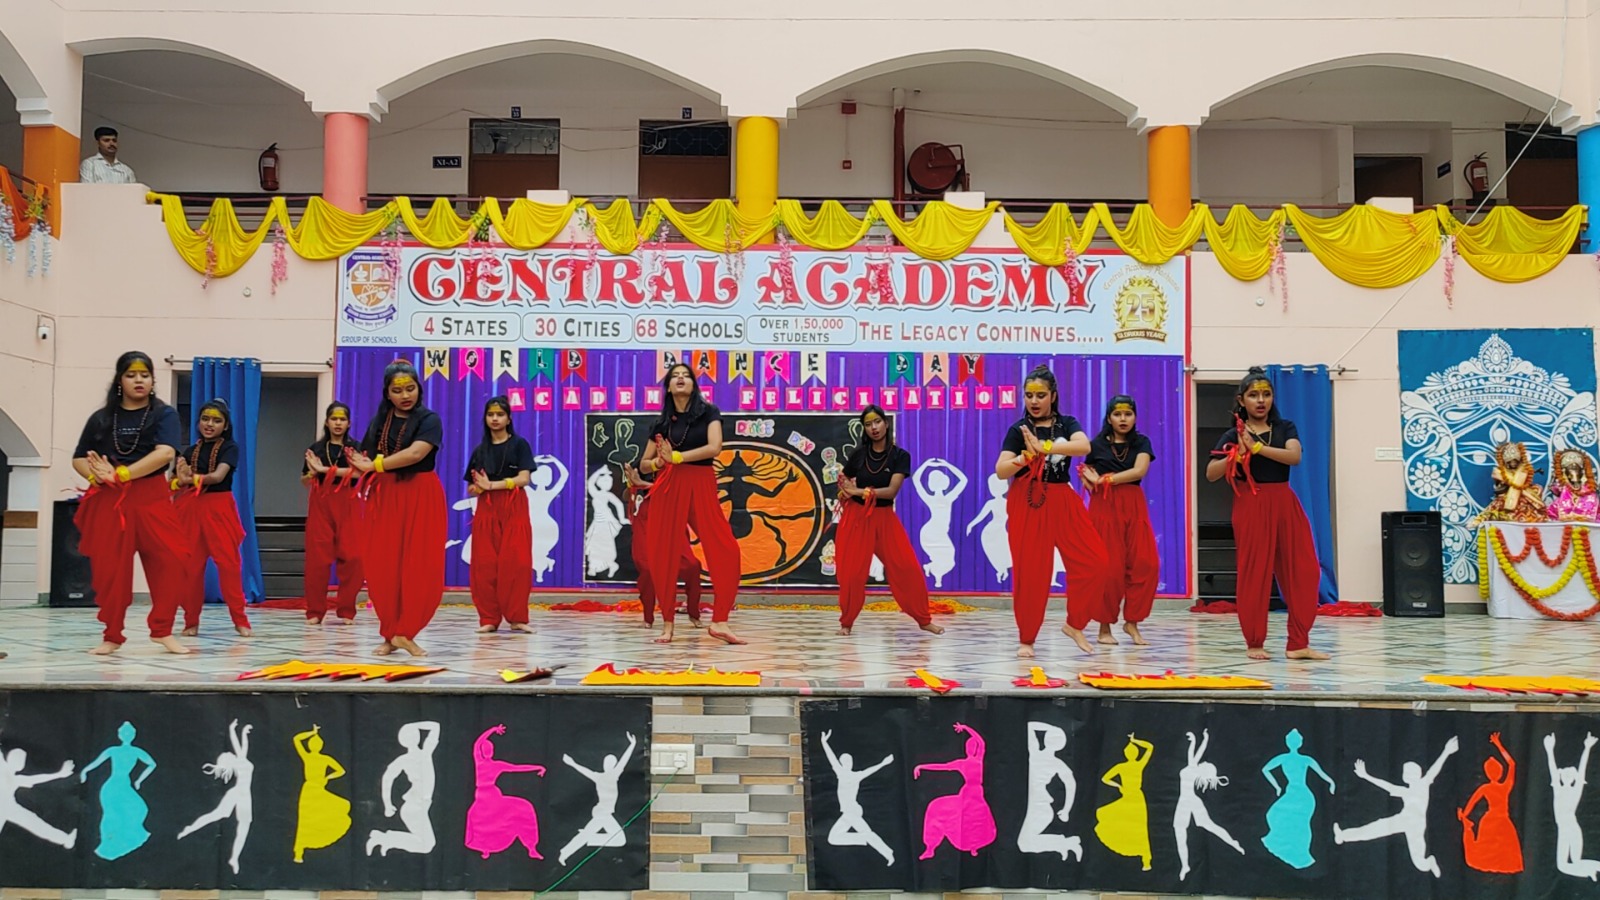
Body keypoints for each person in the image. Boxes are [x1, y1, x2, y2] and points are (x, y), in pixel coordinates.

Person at [1204, 367, 1329, 661]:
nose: (1261, 400)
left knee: (1306, 570)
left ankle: (1298, 643)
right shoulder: (1232, 434)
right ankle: (1255, 642)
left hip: (1285, 501)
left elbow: (1294, 456)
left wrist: (1257, 447)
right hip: (1251, 503)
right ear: (1241, 400)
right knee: (1255, 573)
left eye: (1266, 394)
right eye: (1253, 395)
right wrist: (1236, 456)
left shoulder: (1285, 428)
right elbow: (1211, 473)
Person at [72, 351, 192, 655]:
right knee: (112, 571)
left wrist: (122, 473)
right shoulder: (101, 418)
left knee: (173, 560)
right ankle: (112, 634)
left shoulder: (163, 414)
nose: (139, 380)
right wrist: (98, 477)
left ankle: (162, 629)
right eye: (131, 375)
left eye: (145, 375)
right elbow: (79, 458)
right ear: (119, 380)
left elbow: (165, 453)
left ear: (152, 380)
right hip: (110, 500)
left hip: (152, 498)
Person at [994, 364, 1110, 658]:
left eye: (1040, 395)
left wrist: (1045, 447)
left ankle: (1075, 624)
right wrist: (1024, 457)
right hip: (1027, 500)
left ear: (1053, 396)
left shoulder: (1067, 424)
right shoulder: (1018, 430)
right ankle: (1027, 639)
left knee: (1096, 562)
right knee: (1031, 573)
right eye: (1029, 395)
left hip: (1062, 498)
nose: (1034, 401)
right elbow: (1001, 470)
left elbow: (1083, 447)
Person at [637, 363, 743, 645]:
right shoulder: (661, 423)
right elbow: (644, 464)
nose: (681, 379)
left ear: (694, 384)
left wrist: (678, 457)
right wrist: (659, 462)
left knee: (727, 549)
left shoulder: (709, 413)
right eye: (675, 376)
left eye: (686, 375)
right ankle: (668, 624)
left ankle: (720, 621)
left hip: (701, 483)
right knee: (664, 554)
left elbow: (714, 447)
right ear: (668, 387)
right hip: (668, 486)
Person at [348, 360, 446, 658]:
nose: (405, 395)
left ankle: (406, 631)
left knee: (419, 565)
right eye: (398, 390)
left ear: (419, 389)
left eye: (410, 388)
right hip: (386, 496)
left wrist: (376, 465)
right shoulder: (379, 422)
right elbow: (363, 463)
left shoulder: (429, 419)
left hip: (420, 495)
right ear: (387, 393)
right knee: (384, 566)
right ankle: (391, 633)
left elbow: (415, 453)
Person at [833, 406, 941, 636]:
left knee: (907, 568)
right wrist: (844, 488)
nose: (874, 428)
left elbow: (891, 491)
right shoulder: (859, 454)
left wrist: (859, 491)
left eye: (877, 422)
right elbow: (844, 478)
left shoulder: (900, 456)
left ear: (886, 423)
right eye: (868, 424)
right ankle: (846, 622)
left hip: (884, 518)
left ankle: (923, 619)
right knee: (852, 574)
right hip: (857, 518)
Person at [1081, 394, 1158, 646]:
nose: (1123, 419)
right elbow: (1088, 476)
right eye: (1117, 414)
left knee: (1146, 564)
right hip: (1104, 507)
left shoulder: (1142, 442)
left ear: (1135, 417)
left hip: (1133, 505)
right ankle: (1104, 627)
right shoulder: (1095, 445)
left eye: (1128, 414)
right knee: (1110, 569)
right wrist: (1090, 480)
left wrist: (1106, 479)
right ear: (1109, 418)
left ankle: (1132, 621)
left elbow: (1139, 471)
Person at [173, 398, 252, 637]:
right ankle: (191, 622)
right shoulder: (189, 451)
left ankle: (240, 620)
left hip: (219, 509)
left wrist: (189, 479)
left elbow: (218, 476)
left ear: (225, 425)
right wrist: (179, 480)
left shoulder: (230, 448)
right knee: (190, 569)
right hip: (191, 510)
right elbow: (176, 482)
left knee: (229, 566)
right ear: (198, 422)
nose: (209, 424)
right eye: (205, 419)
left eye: (216, 421)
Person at [1333, 737, 1459, 878]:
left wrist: (1446, 751)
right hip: (1403, 819)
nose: (1407, 775)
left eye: (1410, 772)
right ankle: (1343, 835)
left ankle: (1429, 863)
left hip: (1416, 824)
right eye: (1406, 772)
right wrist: (1366, 776)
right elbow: (1387, 786)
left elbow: (1434, 769)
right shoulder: (1404, 790)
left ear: (1418, 774)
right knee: (1375, 828)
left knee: (1419, 861)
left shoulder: (1424, 784)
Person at [464, 396, 534, 634]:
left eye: (500, 415)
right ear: (485, 418)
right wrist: (480, 488)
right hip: (487, 507)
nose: (495, 419)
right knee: (485, 564)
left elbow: (524, 479)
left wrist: (493, 485)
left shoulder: (520, 445)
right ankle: (489, 618)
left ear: (509, 418)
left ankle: (517, 617)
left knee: (517, 562)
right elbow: (471, 487)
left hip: (514, 505)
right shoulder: (480, 450)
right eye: (490, 415)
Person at [301, 402, 365, 624]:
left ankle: (346, 609)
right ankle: (315, 611)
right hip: (321, 502)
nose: (338, 423)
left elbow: (359, 473)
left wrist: (323, 470)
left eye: (342, 419)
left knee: (354, 557)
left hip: (348, 502)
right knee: (317, 559)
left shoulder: (355, 448)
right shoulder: (316, 449)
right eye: (334, 419)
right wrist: (311, 474)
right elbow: (304, 480)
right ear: (327, 422)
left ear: (349, 423)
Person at [622, 462, 703, 628]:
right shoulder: (643, 465)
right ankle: (648, 617)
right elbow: (626, 495)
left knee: (692, 566)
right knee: (648, 570)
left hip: (671, 518)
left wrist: (644, 484)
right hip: (647, 520)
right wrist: (632, 485)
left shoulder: (677, 465)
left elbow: (678, 491)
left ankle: (694, 613)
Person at [176, 720, 254, 875]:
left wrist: (242, 731)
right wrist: (234, 730)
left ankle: (234, 858)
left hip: (245, 796)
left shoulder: (241, 760)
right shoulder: (240, 760)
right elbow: (239, 745)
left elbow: (242, 745)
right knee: (220, 816)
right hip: (238, 793)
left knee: (242, 826)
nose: (230, 752)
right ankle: (190, 828)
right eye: (228, 755)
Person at [1173, 730, 1244, 879]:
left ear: (1204, 770)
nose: (1204, 761)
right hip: (1184, 802)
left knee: (1208, 826)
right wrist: (1198, 740)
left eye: (1206, 764)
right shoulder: (1192, 767)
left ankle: (1233, 842)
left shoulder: (1192, 768)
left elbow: (1197, 753)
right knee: (1180, 833)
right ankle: (1185, 865)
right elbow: (1195, 753)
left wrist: (1200, 740)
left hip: (1191, 801)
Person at [820, 730, 896, 865]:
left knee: (867, 832)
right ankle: (864, 839)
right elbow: (831, 758)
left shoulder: (856, 775)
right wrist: (824, 742)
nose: (848, 763)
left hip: (852, 810)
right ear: (842, 763)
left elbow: (870, 771)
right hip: (847, 811)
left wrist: (883, 763)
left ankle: (887, 852)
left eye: (849, 760)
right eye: (845, 761)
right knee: (833, 838)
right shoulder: (841, 773)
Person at [1458, 732, 1522, 874]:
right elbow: (1512, 764)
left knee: (1489, 851)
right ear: (1500, 772)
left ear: (1487, 773)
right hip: (1502, 821)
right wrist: (1499, 745)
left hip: (1490, 821)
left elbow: (1472, 802)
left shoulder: (1485, 788)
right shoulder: (1505, 787)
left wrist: (1465, 814)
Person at [291, 726, 351, 864]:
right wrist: (328, 777)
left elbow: (297, 739)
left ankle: (299, 852)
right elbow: (341, 771)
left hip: (312, 789)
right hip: (313, 789)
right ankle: (299, 851)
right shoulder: (323, 759)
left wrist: (311, 733)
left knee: (307, 820)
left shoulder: (308, 756)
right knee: (307, 820)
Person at [1095, 734, 1154, 871]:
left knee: (1134, 827)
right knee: (1139, 828)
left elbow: (1105, 778)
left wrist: (1118, 785)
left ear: (1126, 754)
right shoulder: (1139, 765)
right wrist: (1135, 741)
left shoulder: (1121, 767)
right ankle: (1146, 859)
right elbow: (1150, 747)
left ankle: (1145, 859)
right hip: (1136, 797)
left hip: (1131, 797)